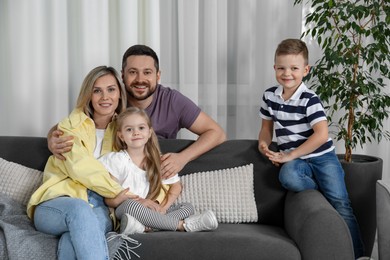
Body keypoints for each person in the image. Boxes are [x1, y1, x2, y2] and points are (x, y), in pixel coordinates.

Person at [48, 44, 226, 179]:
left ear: (158, 75)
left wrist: (182, 158)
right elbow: (73, 123)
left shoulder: (173, 101)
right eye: (133, 72)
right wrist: (51, 139)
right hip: (112, 177)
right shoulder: (112, 97)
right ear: (122, 75)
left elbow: (217, 133)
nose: (140, 80)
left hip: (152, 176)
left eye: (147, 72)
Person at [257, 39, 364, 258]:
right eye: (281, 68)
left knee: (341, 204)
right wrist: (263, 144)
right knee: (287, 177)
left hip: (321, 157)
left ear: (305, 70)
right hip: (296, 161)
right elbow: (266, 129)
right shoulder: (269, 96)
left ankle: (359, 255)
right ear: (274, 68)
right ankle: (317, 188)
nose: (287, 73)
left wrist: (290, 154)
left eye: (294, 68)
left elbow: (321, 134)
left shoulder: (309, 99)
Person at [27, 66, 139, 260]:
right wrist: (117, 193)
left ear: (120, 94)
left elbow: (144, 162)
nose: (105, 96)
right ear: (89, 95)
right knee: (80, 211)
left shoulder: (126, 131)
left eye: (111, 89)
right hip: (57, 203)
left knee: (77, 235)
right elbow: (80, 166)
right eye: (97, 91)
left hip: (102, 209)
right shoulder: (70, 125)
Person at [99, 107, 218, 234]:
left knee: (187, 207)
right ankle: (183, 225)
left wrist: (163, 208)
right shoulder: (117, 160)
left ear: (149, 132)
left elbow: (176, 186)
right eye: (129, 129)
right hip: (126, 210)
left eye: (141, 128)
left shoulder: (158, 161)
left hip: (151, 211)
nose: (136, 132)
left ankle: (145, 227)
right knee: (130, 206)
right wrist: (123, 200)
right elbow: (109, 200)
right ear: (121, 136)